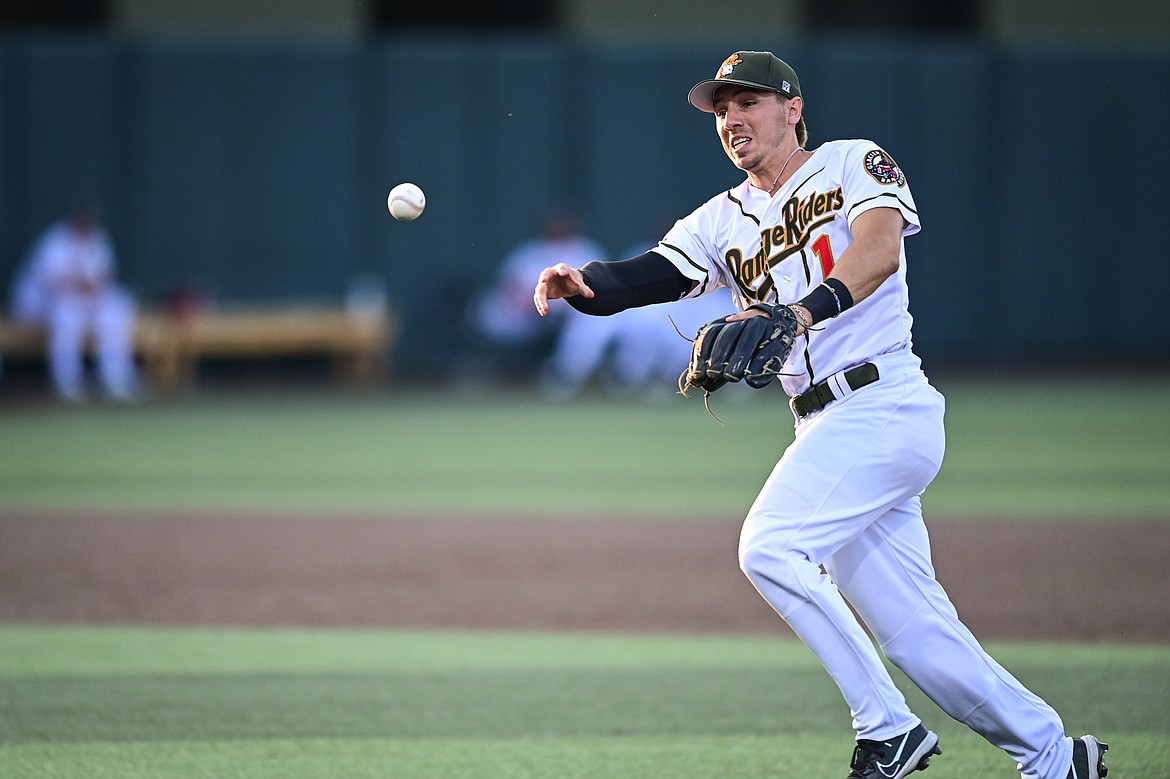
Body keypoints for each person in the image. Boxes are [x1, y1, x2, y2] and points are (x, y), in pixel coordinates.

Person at [533, 50, 1107, 779]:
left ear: (792, 108)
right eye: (721, 109)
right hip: (824, 424)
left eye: (748, 103)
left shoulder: (850, 163)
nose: (732, 119)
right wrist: (587, 282)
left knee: (769, 546)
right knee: (917, 634)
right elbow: (655, 272)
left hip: (884, 401)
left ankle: (888, 727)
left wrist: (801, 311)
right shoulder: (723, 217)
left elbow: (879, 252)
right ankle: (1056, 756)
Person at [466, 205, 610, 388]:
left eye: (563, 225)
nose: (558, 228)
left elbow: (597, 288)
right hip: (528, 314)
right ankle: (480, 370)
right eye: (554, 224)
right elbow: (509, 288)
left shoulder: (585, 251)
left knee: (592, 322)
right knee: (487, 310)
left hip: (570, 313)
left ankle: (563, 377)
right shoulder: (530, 251)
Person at [9, 203, 140, 402]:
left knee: (115, 308)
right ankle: (67, 383)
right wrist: (83, 286)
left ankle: (116, 379)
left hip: (81, 302)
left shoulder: (98, 240)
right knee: (66, 316)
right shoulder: (55, 240)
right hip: (37, 304)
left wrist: (90, 289)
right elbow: (53, 284)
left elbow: (104, 279)